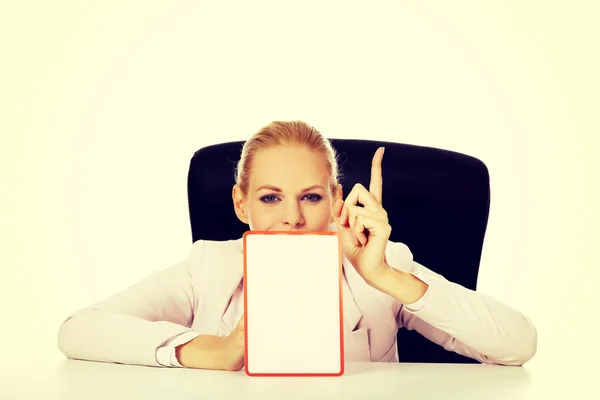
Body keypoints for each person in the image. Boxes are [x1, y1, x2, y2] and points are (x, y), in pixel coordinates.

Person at [57, 120, 537, 371]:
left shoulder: (381, 267)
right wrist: (207, 350)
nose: (292, 217)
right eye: (270, 198)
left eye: (310, 196)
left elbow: (518, 344)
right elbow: (78, 331)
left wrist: (386, 276)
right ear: (241, 204)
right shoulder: (208, 265)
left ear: (334, 200)